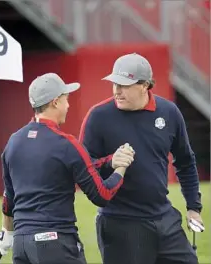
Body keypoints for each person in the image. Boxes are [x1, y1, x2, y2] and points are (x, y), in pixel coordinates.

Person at [0, 73, 135, 264]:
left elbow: (8, 198)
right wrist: (121, 167)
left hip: (22, 245)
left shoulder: (14, 141)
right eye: (66, 99)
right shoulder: (67, 144)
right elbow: (102, 194)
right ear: (55, 102)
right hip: (55, 245)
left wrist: (7, 231)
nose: (68, 105)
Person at [79, 53, 204, 264]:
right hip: (120, 224)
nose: (117, 91)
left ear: (145, 85)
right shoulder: (98, 116)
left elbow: (185, 162)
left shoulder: (169, 112)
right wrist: (111, 161)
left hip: (164, 218)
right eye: (115, 84)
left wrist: (193, 207)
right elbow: (82, 168)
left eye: (124, 85)